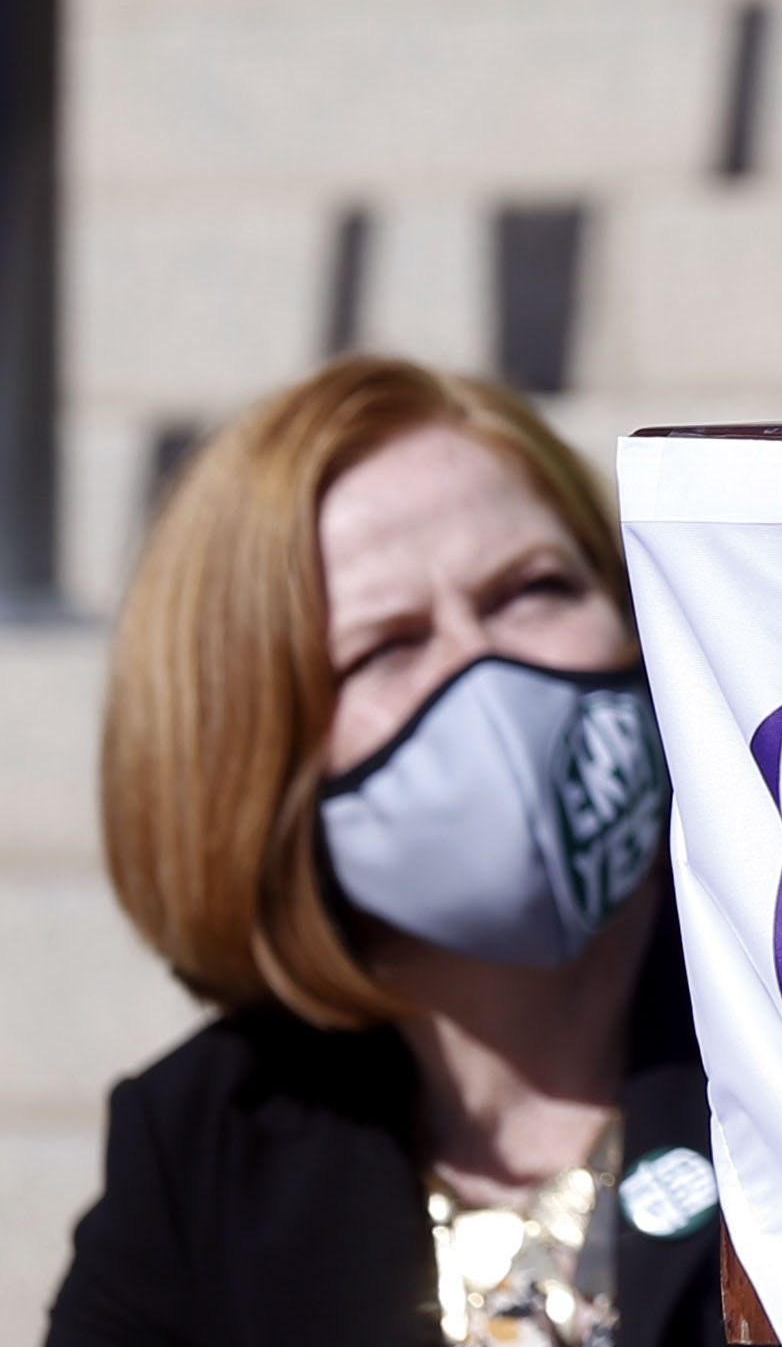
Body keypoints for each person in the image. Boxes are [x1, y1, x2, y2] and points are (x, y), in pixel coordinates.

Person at [49, 356, 716, 1347]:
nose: (485, 671)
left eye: (533, 589)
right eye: (386, 645)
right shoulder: (204, 1149)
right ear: (252, 758)